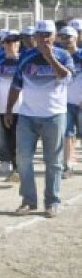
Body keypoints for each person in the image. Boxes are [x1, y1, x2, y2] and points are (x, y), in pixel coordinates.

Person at [5, 20, 74, 217]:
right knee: (23, 159)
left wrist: (50, 57)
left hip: (54, 116)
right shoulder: (26, 57)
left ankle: (52, 201)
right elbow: (16, 85)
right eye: (40, 35)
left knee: (53, 161)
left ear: (54, 36)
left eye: (47, 35)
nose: (44, 39)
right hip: (27, 116)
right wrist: (10, 109)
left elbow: (66, 77)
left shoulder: (63, 55)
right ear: (34, 37)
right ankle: (28, 200)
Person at [0, 31, 23, 182]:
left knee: (18, 138)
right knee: (6, 138)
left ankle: (18, 168)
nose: (11, 45)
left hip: (22, 107)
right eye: (7, 42)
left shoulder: (24, 60)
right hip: (2, 105)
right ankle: (9, 164)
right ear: (2, 44)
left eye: (14, 41)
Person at [57, 26, 82, 179]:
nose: (66, 40)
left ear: (77, 38)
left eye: (69, 37)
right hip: (65, 102)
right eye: (63, 37)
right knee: (66, 134)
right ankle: (67, 166)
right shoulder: (59, 57)